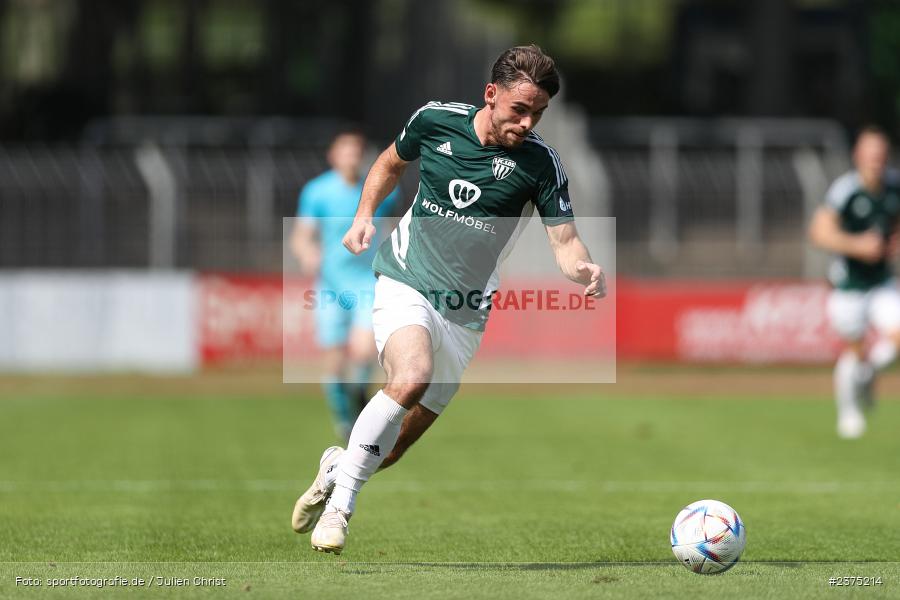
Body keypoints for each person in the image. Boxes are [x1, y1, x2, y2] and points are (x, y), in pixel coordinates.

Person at [291, 45, 606, 553]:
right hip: (406, 279)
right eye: (518, 110)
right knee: (410, 377)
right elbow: (390, 163)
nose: (527, 123)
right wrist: (363, 214)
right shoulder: (435, 121)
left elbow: (565, 242)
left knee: (387, 452)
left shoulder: (541, 165)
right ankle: (340, 510)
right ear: (491, 94)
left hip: (466, 315)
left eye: (538, 114)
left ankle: (336, 466)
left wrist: (583, 269)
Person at [291, 129, 399, 442]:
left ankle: (359, 396)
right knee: (334, 358)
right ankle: (343, 418)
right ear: (333, 156)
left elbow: (393, 228)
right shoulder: (317, 192)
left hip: (367, 283)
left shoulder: (381, 189)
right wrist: (307, 252)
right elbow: (301, 235)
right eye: (345, 151)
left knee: (364, 352)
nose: (351, 157)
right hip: (329, 286)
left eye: (356, 151)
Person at [809, 126, 900, 439]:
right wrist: (857, 245)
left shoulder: (894, 186)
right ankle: (848, 413)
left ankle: (868, 373)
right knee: (854, 349)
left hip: (882, 282)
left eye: (881, 154)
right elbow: (819, 232)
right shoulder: (844, 191)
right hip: (849, 286)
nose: (876, 160)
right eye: (870, 154)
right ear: (858, 156)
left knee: (897, 337)